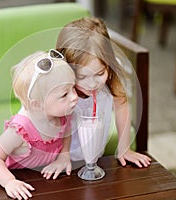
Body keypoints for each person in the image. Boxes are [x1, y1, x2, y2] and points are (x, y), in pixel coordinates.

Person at [56, 17, 151, 168]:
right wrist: (63, 156)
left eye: (100, 73)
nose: (92, 84)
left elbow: (121, 104)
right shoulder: (59, 85)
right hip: (57, 160)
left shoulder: (112, 75)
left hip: (94, 156)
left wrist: (124, 148)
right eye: (81, 77)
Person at [0, 50, 78, 200]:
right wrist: (9, 182)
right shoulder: (19, 130)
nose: (74, 96)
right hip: (20, 189)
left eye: (73, 87)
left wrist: (64, 156)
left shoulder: (63, 115)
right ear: (37, 105)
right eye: (64, 94)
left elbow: (67, 131)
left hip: (47, 185)